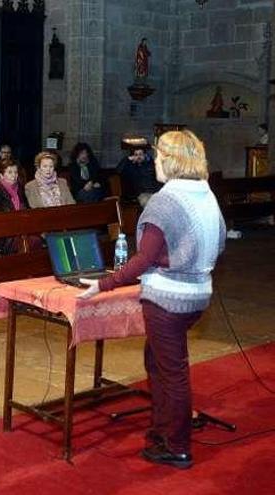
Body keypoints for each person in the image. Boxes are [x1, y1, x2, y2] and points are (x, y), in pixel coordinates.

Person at [78, 130, 226, 470]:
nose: (155, 162)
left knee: (172, 371)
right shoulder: (206, 193)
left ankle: (176, 445)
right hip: (198, 295)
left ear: (172, 161)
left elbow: (144, 258)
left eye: (159, 156)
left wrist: (105, 284)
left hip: (168, 299)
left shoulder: (166, 199)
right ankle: (163, 428)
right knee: (157, 361)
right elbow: (219, 244)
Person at [0, 159, 32, 254]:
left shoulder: (20, 188)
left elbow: (26, 207)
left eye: (15, 172)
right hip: (3, 231)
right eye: (10, 172)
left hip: (21, 227)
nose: (14, 175)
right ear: (1, 175)